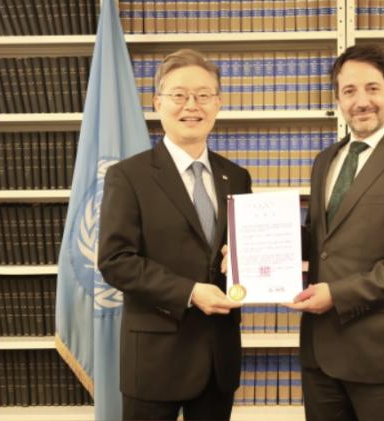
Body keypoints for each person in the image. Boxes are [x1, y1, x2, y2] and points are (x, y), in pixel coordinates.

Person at [288, 44, 384, 421]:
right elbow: (321, 239)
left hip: (381, 354)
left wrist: (338, 294)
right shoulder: (325, 160)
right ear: (338, 100)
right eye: (349, 91)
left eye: (372, 89)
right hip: (320, 353)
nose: (361, 101)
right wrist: (249, 249)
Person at [98, 49, 251, 421]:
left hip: (218, 359)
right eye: (179, 95)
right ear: (157, 104)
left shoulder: (236, 176)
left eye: (203, 95)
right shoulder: (128, 176)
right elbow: (116, 262)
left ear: (218, 104)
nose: (191, 105)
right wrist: (190, 292)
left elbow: (242, 249)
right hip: (155, 359)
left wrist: (242, 258)